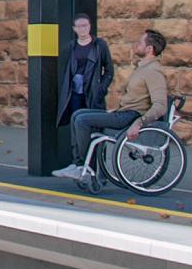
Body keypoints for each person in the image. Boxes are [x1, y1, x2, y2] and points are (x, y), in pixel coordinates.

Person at [53, 30, 168, 180]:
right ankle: (80, 166)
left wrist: (138, 124)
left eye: (140, 43)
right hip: (124, 112)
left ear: (149, 49)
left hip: (131, 117)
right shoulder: (142, 68)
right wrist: (119, 109)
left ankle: (85, 167)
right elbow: (137, 98)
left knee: (83, 120)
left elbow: (160, 106)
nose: (135, 45)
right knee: (78, 114)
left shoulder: (153, 71)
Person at [56, 13, 113, 128]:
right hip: (75, 92)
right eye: (79, 26)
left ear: (90, 26)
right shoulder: (70, 47)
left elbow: (109, 70)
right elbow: (64, 71)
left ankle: (96, 146)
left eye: (85, 25)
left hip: (93, 90)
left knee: (96, 123)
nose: (83, 29)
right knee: (76, 121)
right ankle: (77, 146)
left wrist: (101, 88)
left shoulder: (99, 45)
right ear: (74, 29)